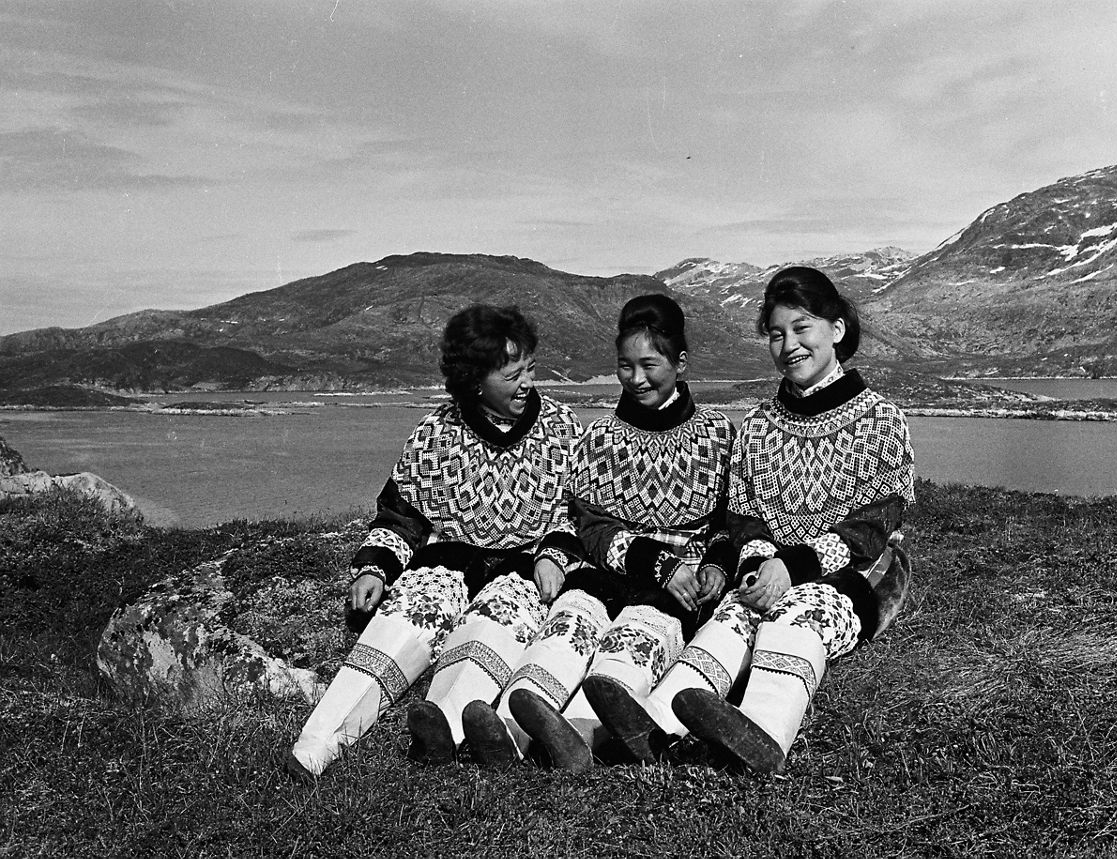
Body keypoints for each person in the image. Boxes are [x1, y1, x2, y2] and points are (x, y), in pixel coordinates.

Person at [587, 266, 915, 773]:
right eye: (776, 334)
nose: (789, 345)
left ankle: (763, 731)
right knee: (730, 619)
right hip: (769, 567)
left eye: (802, 328)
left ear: (837, 330)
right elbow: (744, 517)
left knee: (797, 618)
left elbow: (871, 528)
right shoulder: (760, 423)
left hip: (856, 571)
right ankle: (648, 726)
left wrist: (794, 567)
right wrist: (762, 564)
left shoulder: (880, 417)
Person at [437, 293, 736, 772]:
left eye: (649, 365)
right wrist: (655, 561)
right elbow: (592, 526)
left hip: (678, 589)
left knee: (630, 650)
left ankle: (577, 735)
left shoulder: (720, 434)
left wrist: (717, 567)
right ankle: (504, 732)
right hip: (608, 570)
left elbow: (728, 521)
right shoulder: (599, 437)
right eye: (624, 365)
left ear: (680, 363)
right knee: (564, 632)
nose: (636, 379)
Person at [286, 304, 582, 777]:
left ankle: (441, 728)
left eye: (530, 368)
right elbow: (401, 518)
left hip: (525, 566)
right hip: (449, 560)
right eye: (512, 374)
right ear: (474, 380)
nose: (527, 383)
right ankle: (316, 743)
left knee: (493, 627)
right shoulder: (435, 434)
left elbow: (577, 510)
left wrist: (555, 554)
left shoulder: (563, 429)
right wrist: (375, 567)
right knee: (405, 618)